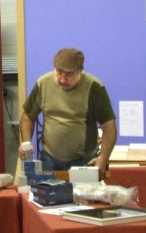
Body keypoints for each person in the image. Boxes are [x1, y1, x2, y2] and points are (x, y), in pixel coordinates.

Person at [18, 47, 117, 178]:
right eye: (59, 72)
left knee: (82, 198)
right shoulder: (43, 83)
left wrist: (103, 158)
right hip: (49, 159)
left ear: (80, 71)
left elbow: (109, 127)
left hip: (83, 161)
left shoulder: (95, 88)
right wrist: (25, 143)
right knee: (47, 197)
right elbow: (28, 116)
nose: (62, 79)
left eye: (69, 75)